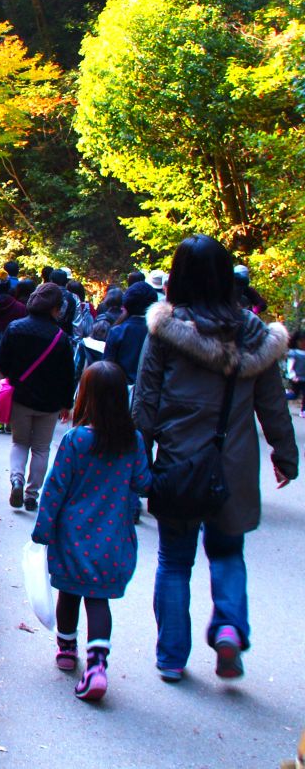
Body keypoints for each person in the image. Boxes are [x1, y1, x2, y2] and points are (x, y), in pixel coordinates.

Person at [132, 234, 298, 683]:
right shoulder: (255, 334)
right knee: (227, 553)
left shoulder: (165, 332)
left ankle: (171, 657)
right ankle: (228, 627)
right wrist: (285, 455)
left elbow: (145, 402)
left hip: (179, 461)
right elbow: (273, 405)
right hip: (234, 464)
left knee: (174, 561)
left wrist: (137, 462)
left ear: (178, 276)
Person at [31, 361, 151, 701]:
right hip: (113, 537)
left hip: (72, 535)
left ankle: (66, 649)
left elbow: (55, 488)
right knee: (98, 599)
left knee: (69, 593)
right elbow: (143, 483)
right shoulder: (133, 441)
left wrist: (42, 530)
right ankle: (97, 666)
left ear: (85, 396)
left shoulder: (76, 440)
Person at [0, 282, 77, 511]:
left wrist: (14, 378)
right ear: (55, 308)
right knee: (41, 448)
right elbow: (68, 375)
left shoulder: (15, 328)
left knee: (19, 442)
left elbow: (1, 362)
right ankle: (32, 495)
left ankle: (16, 480)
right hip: (49, 403)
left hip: (20, 397)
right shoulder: (60, 338)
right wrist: (66, 404)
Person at [0, 271, 27, 433]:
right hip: (15, 356)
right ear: (9, 287)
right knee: (13, 389)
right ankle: (10, 423)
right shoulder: (20, 308)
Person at [103, 282, 157, 385]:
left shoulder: (117, 331)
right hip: (148, 387)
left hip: (121, 387)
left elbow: (107, 367)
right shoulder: (157, 332)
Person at [288, 330, 305, 417]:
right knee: (294, 395)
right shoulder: (293, 353)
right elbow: (290, 366)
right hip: (297, 378)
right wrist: (292, 376)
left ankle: (303, 410)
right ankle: (280, 396)